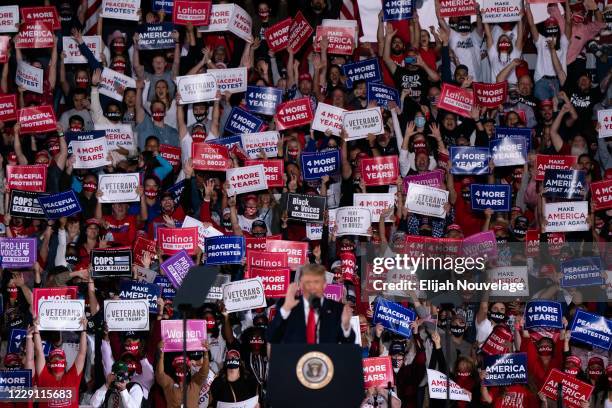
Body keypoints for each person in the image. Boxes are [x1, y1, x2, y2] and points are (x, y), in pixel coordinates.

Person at [267, 264, 355, 344]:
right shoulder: (286, 305)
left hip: (326, 360)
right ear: (301, 284)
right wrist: (285, 310)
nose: (312, 287)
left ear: (324, 284)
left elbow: (348, 343)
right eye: (308, 282)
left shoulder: (337, 309)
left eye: (316, 282)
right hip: (295, 360)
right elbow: (271, 337)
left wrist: (346, 326)